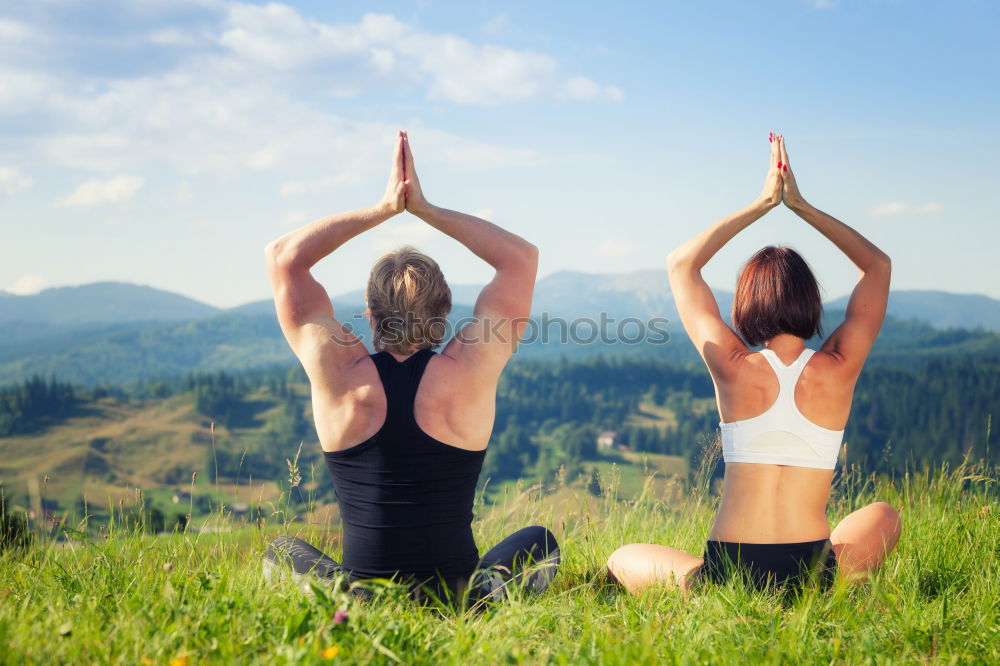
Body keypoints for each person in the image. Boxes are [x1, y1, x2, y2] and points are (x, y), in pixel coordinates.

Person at [262, 131, 558, 607]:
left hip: (362, 598)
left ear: (369, 311)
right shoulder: (470, 368)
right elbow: (519, 258)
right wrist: (424, 208)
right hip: (458, 595)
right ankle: (483, 601)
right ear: (445, 312)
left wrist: (383, 208)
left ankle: (346, 603)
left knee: (281, 550)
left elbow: (284, 258)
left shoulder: (337, 370)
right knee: (540, 540)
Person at [607, 134, 901, 594]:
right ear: (811, 299)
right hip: (809, 574)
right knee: (883, 515)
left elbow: (682, 264)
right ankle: (832, 582)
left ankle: (694, 589)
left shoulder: (733, 366)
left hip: (730, 573)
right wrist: (800, 206)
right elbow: (877, 266)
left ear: (746, 304)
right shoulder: (840, 364)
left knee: (622, 557)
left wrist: (763, 203)